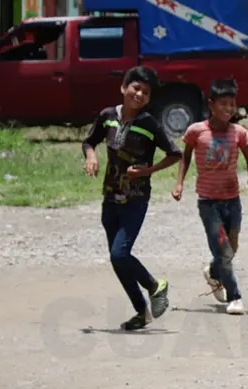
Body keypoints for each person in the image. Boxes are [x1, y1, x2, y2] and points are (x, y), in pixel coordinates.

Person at [82, 66, 182, 331]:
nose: (139, 94)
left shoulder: (149, 124)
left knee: (119, 252)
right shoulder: (107, 117)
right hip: (110, 197)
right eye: (136, 88)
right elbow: (89, 141)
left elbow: (175, 154)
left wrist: (149, 171)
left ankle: (154, 285)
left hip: (136, 199)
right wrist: (91, 156)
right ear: (124, 88)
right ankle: (142, 312)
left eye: (146, 92)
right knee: (117, 259)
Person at [172, 78, 248, 316]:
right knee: (224, 250)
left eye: (232, 104)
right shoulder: (196, 131)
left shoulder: (239, 133)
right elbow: (185, 157)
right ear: (211, 104)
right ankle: (235, 296)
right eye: (224, 104)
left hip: (233, 200)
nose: (229, 109)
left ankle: (212, 272)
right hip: (208, 202)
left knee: (232, 246)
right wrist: (179, 184)